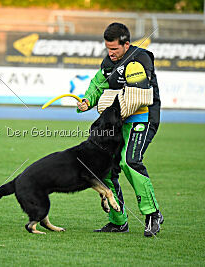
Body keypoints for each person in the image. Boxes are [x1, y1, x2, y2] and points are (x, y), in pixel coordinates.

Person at [77, 22, 163, 237]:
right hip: (118, 124)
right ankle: (118, 221)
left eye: (114, 49)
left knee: (130, 161)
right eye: (108, 48)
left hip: (143, 119)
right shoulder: (108, 63)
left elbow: (141, 91)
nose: (111, 53)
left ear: (126, 44)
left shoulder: (141, 58)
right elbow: (98, 84)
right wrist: (87, 100)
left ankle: (152, 214)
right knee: (105, 167)